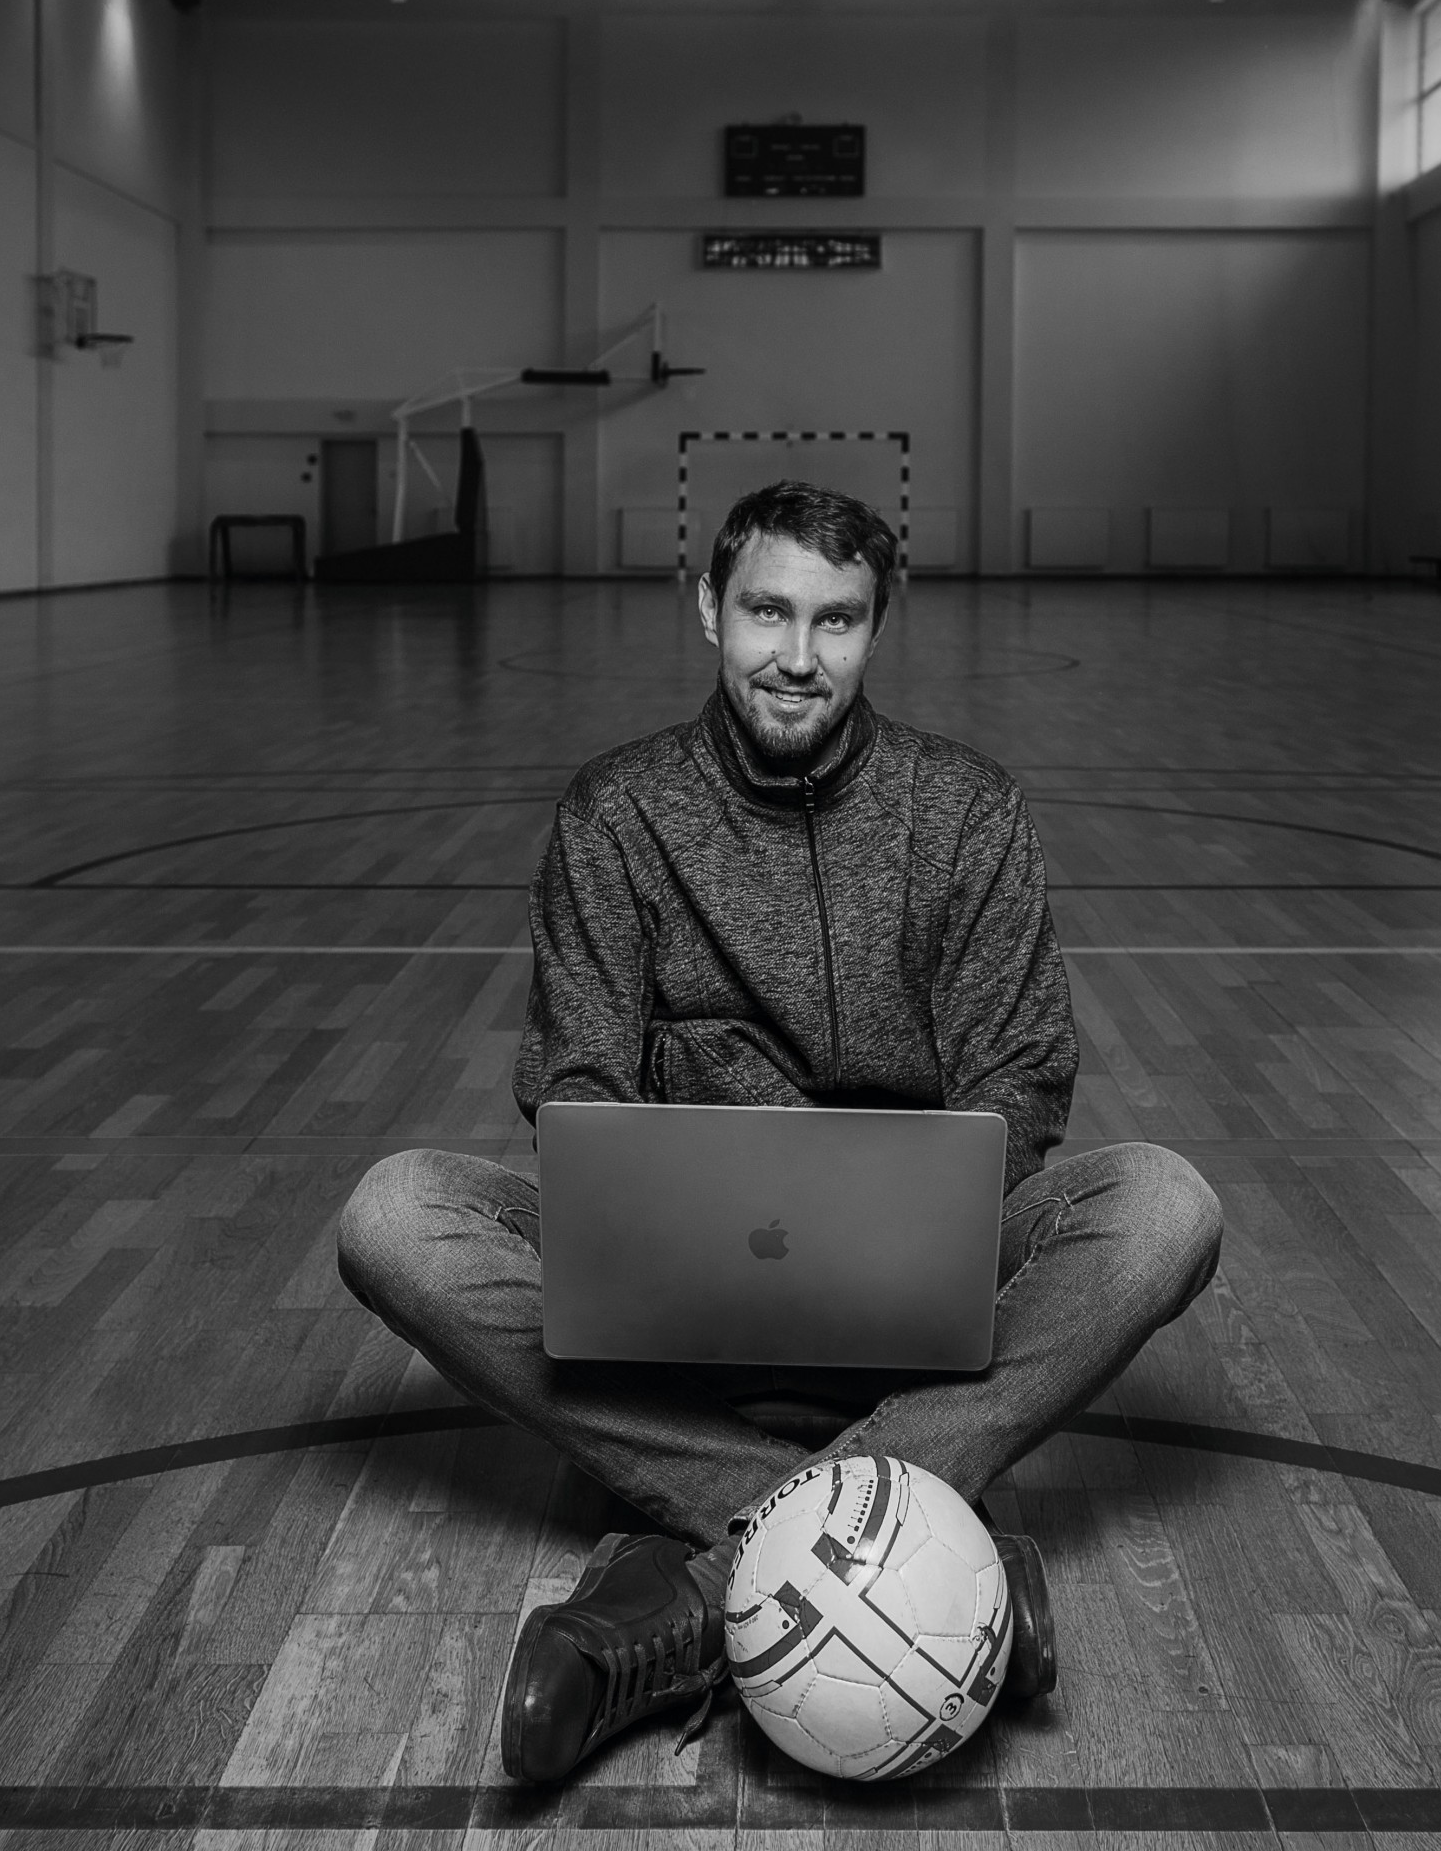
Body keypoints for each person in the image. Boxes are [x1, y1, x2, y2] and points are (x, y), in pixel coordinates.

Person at [337, 481, 1223, 1785]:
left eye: (836, 620)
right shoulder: (615, 813)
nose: (797, 656)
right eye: (767, 611)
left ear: (877, 624)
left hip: (920, 1292)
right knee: (393, 1214)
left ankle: (703, 1578)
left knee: (1164, 1206)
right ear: (710, 608)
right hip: (682, 1307)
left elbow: (1019, 1084)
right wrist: (661, 1226)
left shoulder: (966, 810)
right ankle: (920, 1535)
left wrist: (899, 1225)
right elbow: (577, 1082)